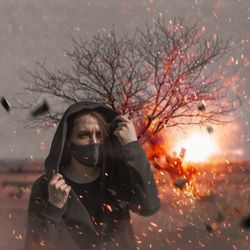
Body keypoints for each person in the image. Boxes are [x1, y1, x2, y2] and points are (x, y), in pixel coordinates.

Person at [24, 101, 161, 250]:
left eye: (99, 135)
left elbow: (149, 206)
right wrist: (53, 208)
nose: (94, 142)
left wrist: (132, 145)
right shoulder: (46, 186)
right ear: (68, 141)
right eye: (84, 135)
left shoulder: (116, 178)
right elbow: (35, 245)